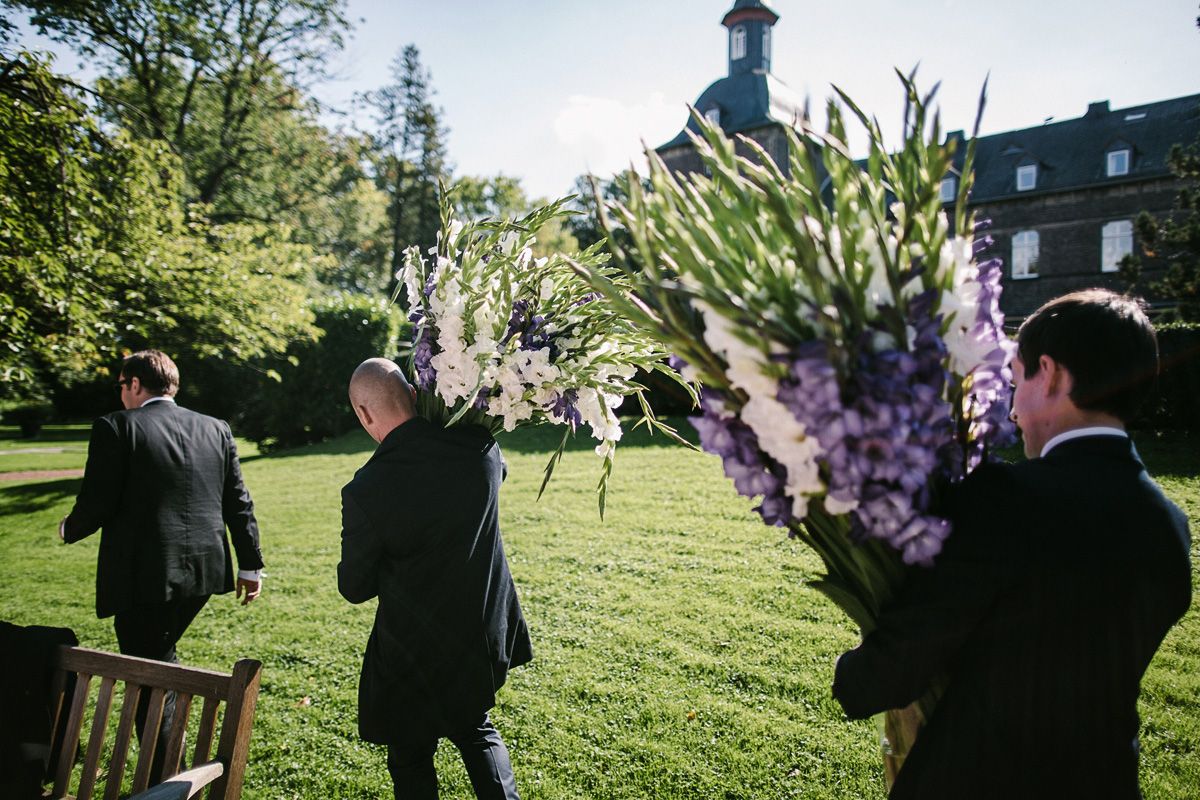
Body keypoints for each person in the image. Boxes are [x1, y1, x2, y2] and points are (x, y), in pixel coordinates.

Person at [832, 289, 1192, 799]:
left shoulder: (1005, 501)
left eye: (1017, 376)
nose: (1014, 406)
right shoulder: (1170, 525)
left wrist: (851, 676)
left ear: (1050, 374)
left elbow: (900, 663)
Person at [61, 349, 264, 775]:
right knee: (157, 657)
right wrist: (250, 565)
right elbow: (238, 502)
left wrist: (68, 529)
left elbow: (97, 501)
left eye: (121, 385)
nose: (120, 394)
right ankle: (166, 767)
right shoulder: (216, 428)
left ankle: (163, 776)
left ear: (135, 383)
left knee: (149, 673)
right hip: (205, 573)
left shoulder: (116, 427)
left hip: (144, 576)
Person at [339, 358, 532, 800]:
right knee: (476, 730)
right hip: (478, 634)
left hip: (411, 649)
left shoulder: (366, 488)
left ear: (364, 415)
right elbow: (497, 474)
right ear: (411, 393)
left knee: (409, 754)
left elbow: (354, 587)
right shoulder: (480, 448)